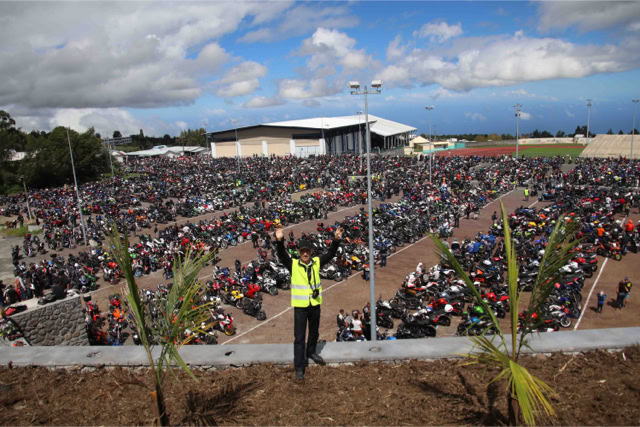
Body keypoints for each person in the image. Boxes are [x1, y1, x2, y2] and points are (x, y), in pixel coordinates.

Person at [275, 224, 343, 382]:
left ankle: (311, 352)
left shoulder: (316, 262)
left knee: (314, 332)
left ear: (311, 252)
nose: (305, 253)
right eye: (302, 251)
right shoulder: (293, 264)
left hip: (315, 304)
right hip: (300, 307)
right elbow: (282, 255)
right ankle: (299, 366)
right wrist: (279, 241)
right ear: (299, 252)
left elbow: (330, 254)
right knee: (299, 338)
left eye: (307, 251)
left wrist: (336, 240)